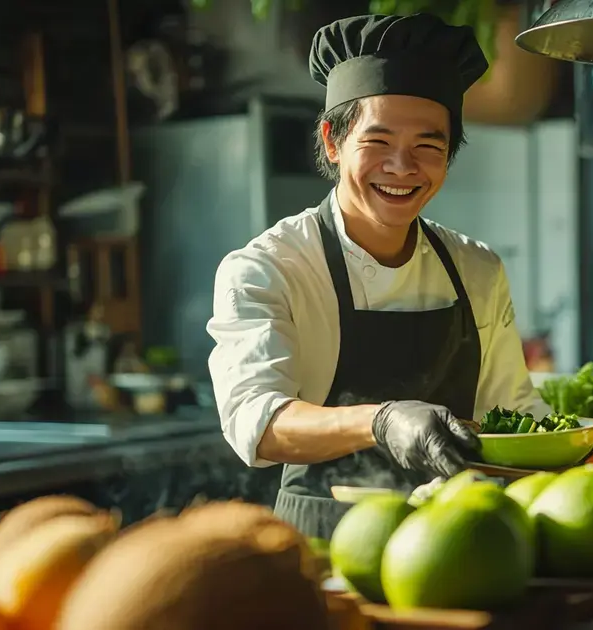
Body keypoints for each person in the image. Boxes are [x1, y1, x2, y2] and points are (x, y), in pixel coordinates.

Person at [207, 12, 547, 539]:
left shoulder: (477, 270)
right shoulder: (269, 268)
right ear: (332, 142)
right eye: (378, 142)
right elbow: (259, 423)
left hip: (458, 539)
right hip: (324, 546)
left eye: (428, 147)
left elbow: (511, 414)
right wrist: (381, 421)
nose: (402, 166)